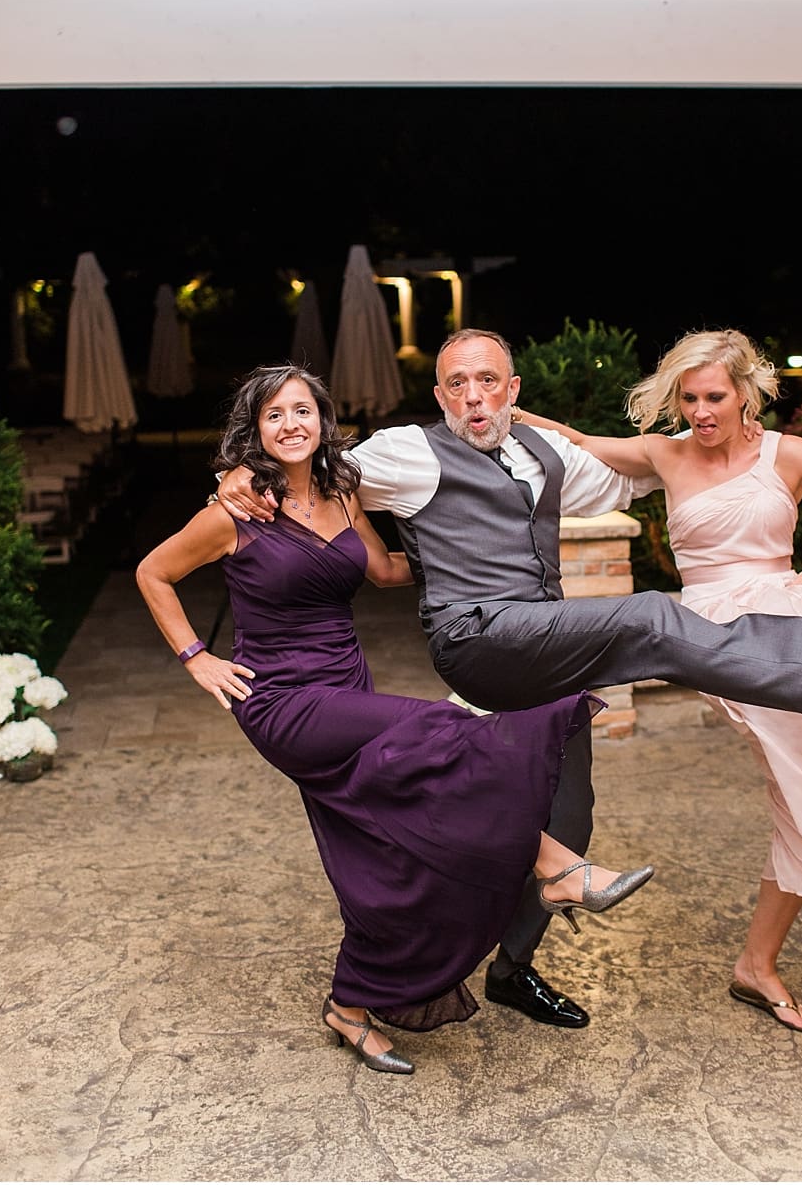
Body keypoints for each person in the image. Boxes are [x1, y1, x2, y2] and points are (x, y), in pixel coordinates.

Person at [218, 328, 802, 1030]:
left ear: (512, 390)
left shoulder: (545, 455)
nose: (472, 395)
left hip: (546, 650)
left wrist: (734, 439)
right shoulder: (404, 452)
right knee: (647, 619)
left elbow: (655, 467)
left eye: (487, 380)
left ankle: (513, 969)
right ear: (438, 395)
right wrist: (240, 475)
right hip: (479, 640)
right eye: (456, 384)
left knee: (567, 818)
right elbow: (307, 466)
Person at [138, 365, 652, 1073]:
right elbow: (152, 573)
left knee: (385, 854)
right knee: (450, 731)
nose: (289, 425)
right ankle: (554, 866)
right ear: (253, 430)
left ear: (321, 420)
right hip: (284, 699)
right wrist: (196, 656)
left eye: (301, 411)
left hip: (346, 683)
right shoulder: (237, 509)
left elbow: (384, 572)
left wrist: (480, 553)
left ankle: (349, 1006)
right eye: (272, 415)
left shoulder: (343, 495)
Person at [514, 329, 802, 1033]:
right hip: (714, 634)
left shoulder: (786, 454)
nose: (701, 411)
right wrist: (500, 407)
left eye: (714, 396)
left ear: (744, 394)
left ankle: (756, 961)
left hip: (794, 602)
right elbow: (578, 442)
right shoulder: (665, 452)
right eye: (688, 398)